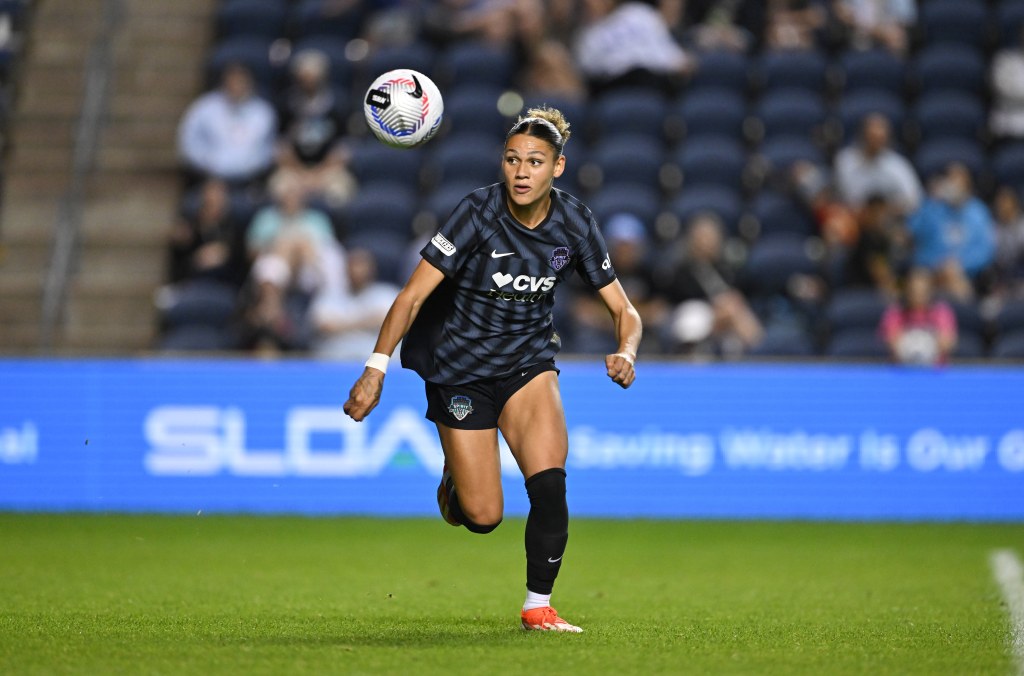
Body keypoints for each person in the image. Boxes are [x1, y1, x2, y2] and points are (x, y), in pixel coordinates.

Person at [343, 107, 642, 633]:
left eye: (535, 161)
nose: (521, 172)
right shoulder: (477, 213)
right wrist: (376, 368)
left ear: (558, 167)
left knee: (550, 486)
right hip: (460, 372)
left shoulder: (574, 222)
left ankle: (537, 607)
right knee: (482, 518)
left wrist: (627, 350)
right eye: (512, 160)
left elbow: (625, 310)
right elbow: (412, 297)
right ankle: (455, 479)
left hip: (528, 366)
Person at [177, 62, 277, 186]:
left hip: (251, 180)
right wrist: (207, 165)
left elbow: (269, 148)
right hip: (210, 178)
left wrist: (252, 168)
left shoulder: (262, 111)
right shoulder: (204, 107)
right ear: (224, 83)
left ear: (249, 83)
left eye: (240, 82)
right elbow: (189, 142)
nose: (236, 86)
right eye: (232, 81)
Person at [908, 162, 996, 301]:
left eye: (958, 182)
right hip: (931, 271)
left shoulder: (979, 212)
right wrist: (930, 201)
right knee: (917, 284)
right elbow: (913, 233)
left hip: (965, 274)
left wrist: (960, 265)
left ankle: (962, 318)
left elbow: (986, 251)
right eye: (950, 181)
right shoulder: (933, 207)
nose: (954, 186)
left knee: (956, 283)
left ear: (967, 186)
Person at [310, 249, 399, 360]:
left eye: (361, 266)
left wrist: (342, 323)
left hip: (375, 358)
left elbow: (392, 323)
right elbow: (324, 326)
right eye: (353, 265)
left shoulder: (386, 293)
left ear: (371, 269)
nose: (357, 271)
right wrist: (368, 321)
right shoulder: (329, 294)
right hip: (336, 357)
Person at [834, 113, 922, 217]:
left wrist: (887, 210)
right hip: (854, 218)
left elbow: (915, 200)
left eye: (880, 138)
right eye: (872, 137)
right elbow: (839, 197)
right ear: (862, 136)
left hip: (890, 218)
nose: (876, 142)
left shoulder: (898, 165)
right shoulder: (845, 161)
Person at [880, 268, 957, 365]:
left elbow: (947, 342)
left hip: (935, 370)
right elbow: (891, 341)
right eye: (914, 290)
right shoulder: (895, 312)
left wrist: (927, 348)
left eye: (922, 290)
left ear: (930, 291)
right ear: (907, 291)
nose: (918, 294)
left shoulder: (941, 311)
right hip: (901, 369)